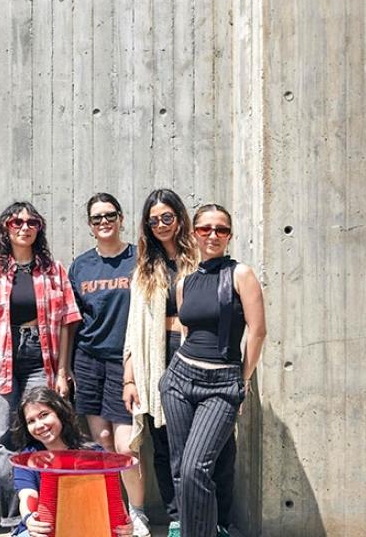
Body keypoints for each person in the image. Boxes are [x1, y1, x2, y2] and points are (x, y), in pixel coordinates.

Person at [121, 189, 237, 537]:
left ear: (180, 218)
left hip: (204, 357)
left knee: (218, 449)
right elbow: (133, 326)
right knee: (166, 445)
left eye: (167, 217)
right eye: (153, 220)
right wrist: (129, 378)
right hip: (157, 360)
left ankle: (218, 522)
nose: (160, 225)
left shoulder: (201, 258)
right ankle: (178, 518)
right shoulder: (145, 269)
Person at [0, 201, 81, 530]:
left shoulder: (54, 269)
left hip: (41, 356)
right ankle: (16, 518)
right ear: (5, 227)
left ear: (39, 228)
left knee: (42, 433)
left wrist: (62, 370)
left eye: (32, 221)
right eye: (16, 222)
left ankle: (48, 512)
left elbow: (66, 323)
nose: (24, 227)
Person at [159, 204, 266, 537]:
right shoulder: (185, 282)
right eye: (205, 229)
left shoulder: (240, 274)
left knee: (195, 468)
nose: (213, 235)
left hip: (221, 383)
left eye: (221, 229)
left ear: (229, 235)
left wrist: (241, 382)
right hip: (179, 379)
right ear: (194, 234)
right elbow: (186, 331)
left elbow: (258, 331)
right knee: (180, 468)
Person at [67, 193, 148, 536]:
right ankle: (114, 511)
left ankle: (139, 513)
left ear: (121, 218)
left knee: (125, 444)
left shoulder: (138, 258)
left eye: (110, 215)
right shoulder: (81, 265)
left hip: (125, 361)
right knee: (100, 439)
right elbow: (71, 320)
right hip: (88, 359)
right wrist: (66, 366)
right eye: (97, 218)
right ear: (89, 225)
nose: (104, 222)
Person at [9, 387, 133, 537]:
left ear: (60, 413)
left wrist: (125, 525)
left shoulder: (94, 453)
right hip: (41, 531)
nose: (39, 425)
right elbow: (28, 495)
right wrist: (30, 519)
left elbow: (113, 498)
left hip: (90, 528)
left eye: (44, 415)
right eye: (31, 421)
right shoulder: (27, 458)